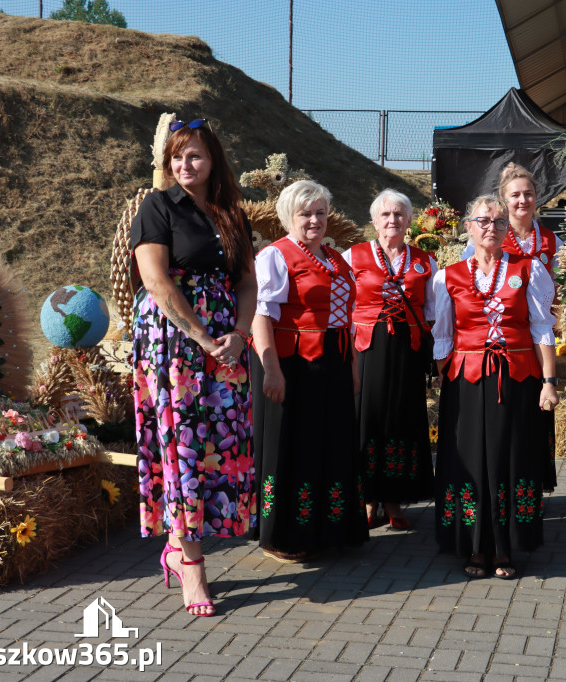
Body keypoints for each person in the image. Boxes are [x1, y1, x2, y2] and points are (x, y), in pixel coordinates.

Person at [131, 118, 257, 617]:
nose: (186, 165)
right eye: (178, 157)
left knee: (218, 448)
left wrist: (240, 335)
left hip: (225, 346)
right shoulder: (158, 206)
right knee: (182, 445)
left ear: (213, 162)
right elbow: (157, 282)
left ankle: (181, 549)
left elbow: (247, 283)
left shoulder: (232, 214)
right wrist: (203, 337)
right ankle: (193, 564)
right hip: (175, 343)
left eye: (195, 156)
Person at [433, 194, 559, 579]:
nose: (491, 228)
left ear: (508, 229)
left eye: (499, 222)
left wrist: (549, 381)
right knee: (469, 460)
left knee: (510, 456)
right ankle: (473, 546)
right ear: (468, 227)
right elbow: (442, 336)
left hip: (517, 379)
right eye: (483, 221)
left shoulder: (530, 269)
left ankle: (504, 549)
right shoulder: (448, 275)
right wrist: (446, 383)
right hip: (466, 380)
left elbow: (541, 327)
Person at [249, 179, 367, 562]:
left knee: (330, 442)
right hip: (292, 364)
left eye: (320, 212)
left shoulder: (335, 257)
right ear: (288, 217)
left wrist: (350, 365)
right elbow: (260, 315)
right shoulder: (275, 256)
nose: (314, 220)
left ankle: (329, 529)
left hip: (333, 361)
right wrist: (271, 369)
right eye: (305, 214)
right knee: (293, 446)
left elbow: (345, 319)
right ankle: (284, 533)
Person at [463, 163, 563, 490]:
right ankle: (499, 485)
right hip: (503, 338)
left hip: (544, 334)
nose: (523, 200)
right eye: (515, 195)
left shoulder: (551, 239)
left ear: (538, 198)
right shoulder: (491, 235)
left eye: (529, 194)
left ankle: (531, 486)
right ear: (504, 201)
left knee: (537, 412)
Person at [342, 189, 435, 530]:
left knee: (402, 421)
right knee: (368, 419)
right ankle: (367, 498)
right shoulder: (352, 256)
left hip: (407, 351)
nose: (392, 220)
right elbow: (341, 306)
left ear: (410, 220)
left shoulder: (425, 261)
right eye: (385, 215)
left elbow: (432, 311)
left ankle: (394, 498)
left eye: (399, 214)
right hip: (366, 349)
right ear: (374, 221)